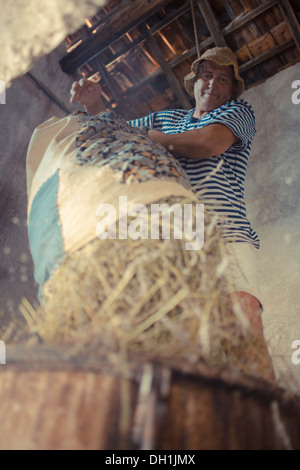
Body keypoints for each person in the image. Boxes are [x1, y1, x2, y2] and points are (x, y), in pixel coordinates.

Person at [70, 46, 274, 381]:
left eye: (223, 79)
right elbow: (117, 129)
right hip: (177, 246)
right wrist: (94, 104)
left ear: (231, 89)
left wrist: (155, 139)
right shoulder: (165, 118)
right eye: (207, 75)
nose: (213, 84)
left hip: (226, 235)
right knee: (191, 350)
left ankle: (270, 426)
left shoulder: (238, 111)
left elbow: (208, 143)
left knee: (242, 322)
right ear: (194, 81)